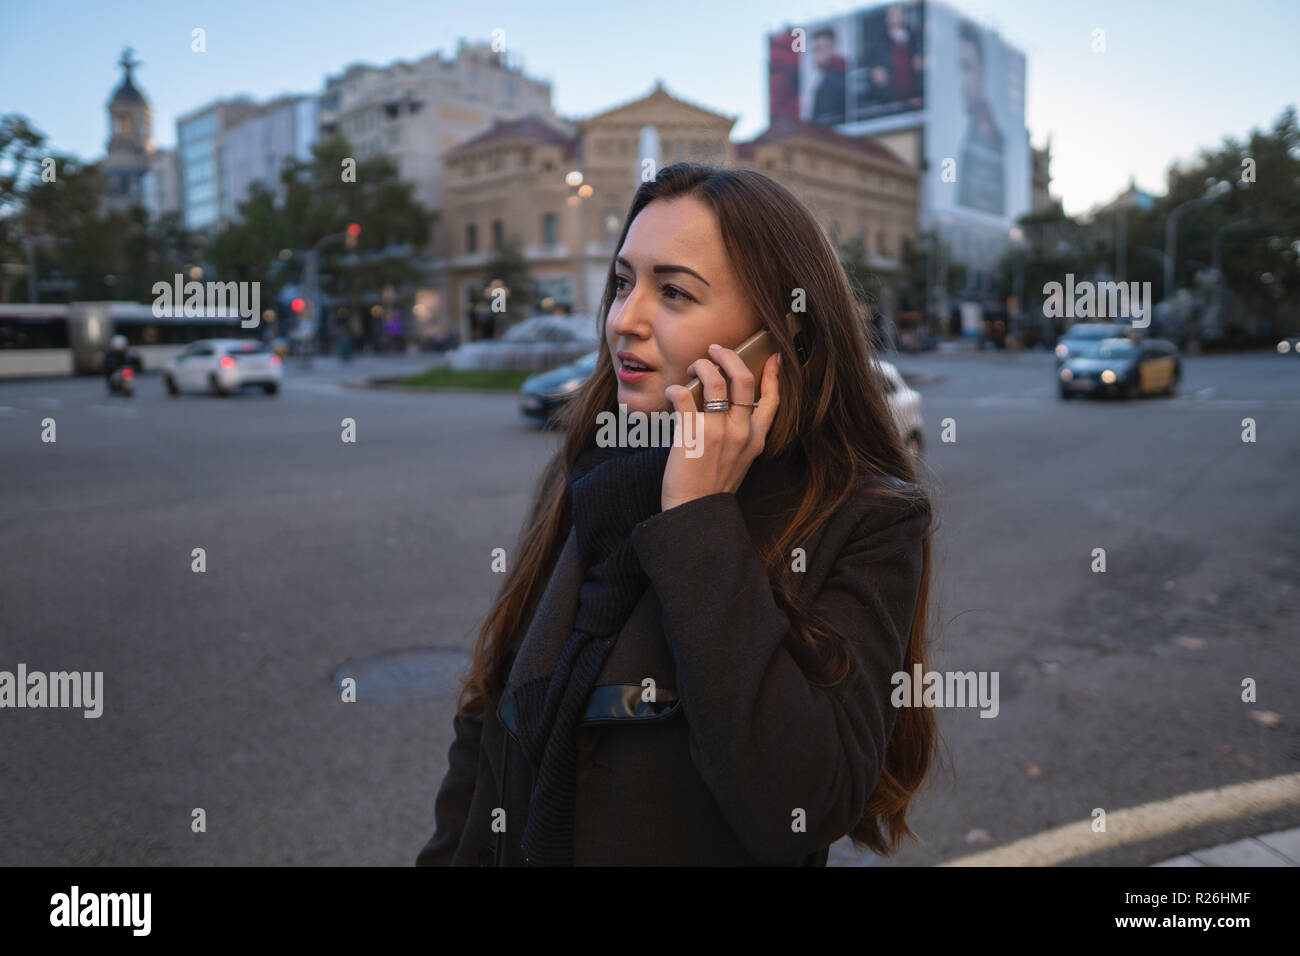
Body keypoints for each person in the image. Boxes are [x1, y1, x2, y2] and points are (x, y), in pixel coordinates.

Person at [416, 162, 936, 866]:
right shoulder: (594, 468)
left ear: (778, 335)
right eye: (624, 283)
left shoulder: (861, 519)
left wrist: (698, 513)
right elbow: (490, 712)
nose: (624, 320)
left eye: (674, 292)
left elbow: (802, 804)